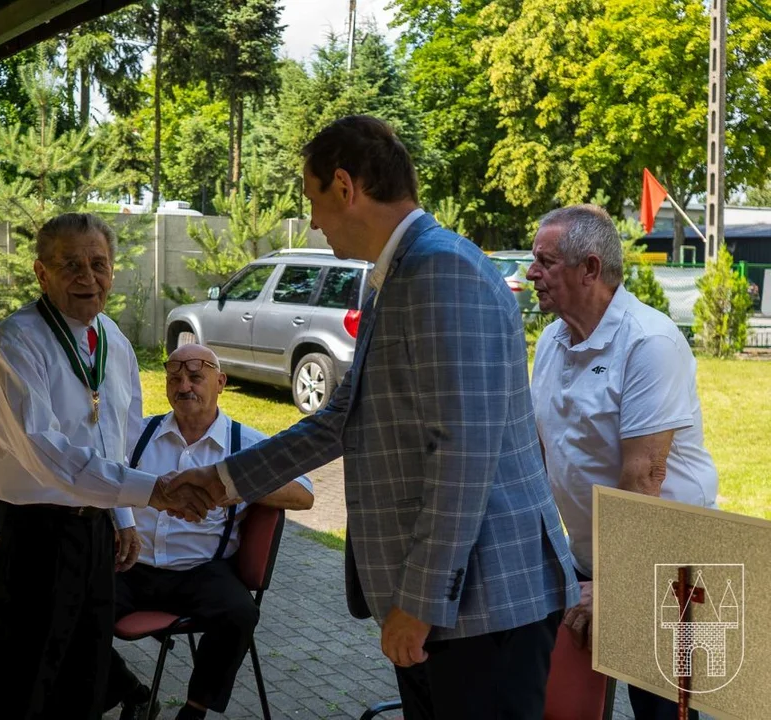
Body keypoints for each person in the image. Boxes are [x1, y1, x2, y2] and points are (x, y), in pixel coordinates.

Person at [167, 115, 580, 719]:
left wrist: (420, 602)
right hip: (456, 605)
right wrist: (222, 481)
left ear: (344, 186)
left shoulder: (442, 271)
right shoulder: (397, 274)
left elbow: (463, 450)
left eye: (312, 200)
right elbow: (341, 418)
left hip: (482, 604)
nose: (312, 221)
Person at [0, 213, 209, 720]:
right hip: (30, 536)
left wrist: (122, 518)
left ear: (113, 270)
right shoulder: (16, 342)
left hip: (95, 532)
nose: (88, 277)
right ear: (41, 273)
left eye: (98, 264)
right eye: (71, 265)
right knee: (23, 675)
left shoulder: (115, 342)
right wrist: (152, 493)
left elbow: (119, 438)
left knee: (86, 669)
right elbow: (45, 453)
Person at [527, 204, 717, 720]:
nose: (531, 273)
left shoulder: (650, 341)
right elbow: (540, 453)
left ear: (590, 268)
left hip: (661, 556)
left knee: (660, 708)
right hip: (590, 553)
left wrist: (618, 583)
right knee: (575, 699)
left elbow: (645, 475)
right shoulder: (551, 341)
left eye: (545, 261)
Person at [102, 343, 315, 720]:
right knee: (72, 608)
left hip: (202, 570)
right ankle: (128, 689)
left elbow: (305, 493)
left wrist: (234, 484)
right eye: (174, 377)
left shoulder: (244, 443)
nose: (184, 386)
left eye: (196, 377)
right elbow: (103, 475)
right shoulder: (138, 433)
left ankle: (195, 709)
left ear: (220, 382)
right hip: (133, 564)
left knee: (240, 613)